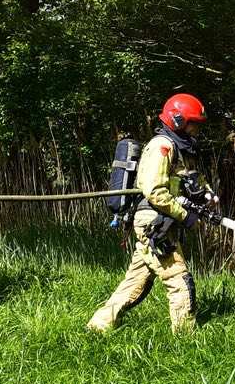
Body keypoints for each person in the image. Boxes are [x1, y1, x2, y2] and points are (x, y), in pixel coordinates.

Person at [88, 93, 212, 334]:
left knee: (137, 281)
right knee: (179, 279)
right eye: (193, 123)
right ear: (178, 120)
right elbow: (154, 190)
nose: (196, 129)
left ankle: (99, 326)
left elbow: (191, 180)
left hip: (161, 220)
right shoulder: (161, 147)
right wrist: (185, 216)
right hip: (153, 221)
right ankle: (186, 338)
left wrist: (208, 195)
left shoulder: (180, 149)